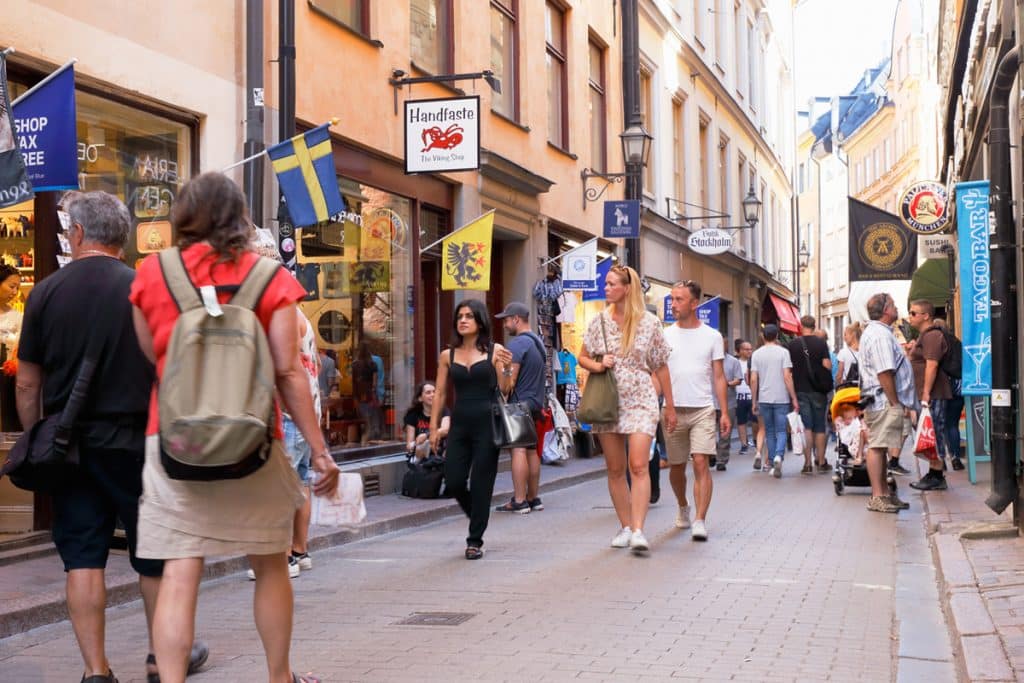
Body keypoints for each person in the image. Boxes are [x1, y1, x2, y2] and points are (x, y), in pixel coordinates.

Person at [129, 172, 339, 683]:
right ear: (239, 219)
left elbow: (152, 356)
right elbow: (288, 372)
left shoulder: (153, 273)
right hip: (254, 444)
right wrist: (320, 450)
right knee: (269, 564)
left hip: (174, 443)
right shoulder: (270, 280)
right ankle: (278, 676)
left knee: (180, 571)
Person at [15, 191, 209, 683]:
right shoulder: (146, 288)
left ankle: (96, 670)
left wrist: (36, 431)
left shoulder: (45, 292)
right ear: (122, 238)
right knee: (153, 554)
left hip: (72, 445)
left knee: (82, 557)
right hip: (140, 443)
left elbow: (27, 381)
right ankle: (161, 657)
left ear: (77, 234)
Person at [578, 265, 676, 554]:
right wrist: (598, 364)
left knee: (638, 464)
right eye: (605, 284)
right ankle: (624, 526)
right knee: (616, 468)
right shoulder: (598, 321)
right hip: (608, 399)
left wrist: (669, 404)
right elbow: (582, 357)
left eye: (611, 284)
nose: (606, 288)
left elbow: (661, 365)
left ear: (626, 288)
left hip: (641, 398)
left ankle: (638, 530)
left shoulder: (649, 322)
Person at [429, 299, 514, 560]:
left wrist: (507, 367)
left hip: (487, 423)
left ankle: (474, 540)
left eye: (469, 316)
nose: (463, 320)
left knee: (481, 483)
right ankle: (477, 514)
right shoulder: (448, 355)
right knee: (453, 480)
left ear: (479, 321)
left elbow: (505, 389)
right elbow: (441, 392)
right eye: (459, 316)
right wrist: (433, 427)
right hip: (460, 423)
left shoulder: (494, 350)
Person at [661, 280, 729, 541]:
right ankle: (683, 506)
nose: (673, 304)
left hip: (702, 408)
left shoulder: (711, 336)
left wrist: (723, 411)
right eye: (672, 299)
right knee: (677, 466)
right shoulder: (665, 334)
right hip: (672, 410)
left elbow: (719, 376)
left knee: (700, 462)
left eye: (679, 300)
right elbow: (659, 372)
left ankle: (700, 519)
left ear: (694, 303)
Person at [858, 293, 914, 513]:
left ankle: (885, 494)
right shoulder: (880, 335)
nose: (896, 307)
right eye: (892, 304)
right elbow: (884, 371)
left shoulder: (879, 333)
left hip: (882, 400)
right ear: (885, 311)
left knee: (882, 447)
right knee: (878, 447)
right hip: (883, 400)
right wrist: (894, 402)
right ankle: (878, 496)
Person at [494, 301, 548, 514]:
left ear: (516, 319)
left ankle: (519, 500)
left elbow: (509, 383)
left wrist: (500, 370)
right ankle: (533, 498)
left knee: (518, 450)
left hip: (519, 403)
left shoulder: (517, 345)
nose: (505, 324)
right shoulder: (538, 342)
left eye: (507, 320)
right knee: (531, 451)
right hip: (535, 402)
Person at [907, 300, 954, 491]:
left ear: (925, 315)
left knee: (933, 432)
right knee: (929, 432)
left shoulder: (932, 335)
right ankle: (934, 472)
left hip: (933, 393)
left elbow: (932, 364)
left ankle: (937, 475)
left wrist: (926, 392)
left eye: (913, 313)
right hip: (927, 393)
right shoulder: (924, 336)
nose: (910, 316)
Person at [750, 324, 800, 478]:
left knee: (769, 432)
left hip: (764, 398)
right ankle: (779, 456)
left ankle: (771, 462)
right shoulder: (784, 353)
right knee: (781, 430)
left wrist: (754, 401)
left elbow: (753, 379)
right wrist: (794, 397)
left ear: (763, 336)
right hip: (781, 398)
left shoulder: (756, 354)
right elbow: (787, 376)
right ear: (777, 336)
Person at [787, 316, 832, 474]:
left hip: (801, 389)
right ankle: (820, 461)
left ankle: (807, 464)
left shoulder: (792, 345)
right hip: (818, 390)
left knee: (807, 426)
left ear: (801, 326)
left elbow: (789, 369)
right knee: (819, 426)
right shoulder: (821, 343)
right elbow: (827, 365)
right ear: (814, 326)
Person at [932, 318, 965, 471]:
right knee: (953, 424)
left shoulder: (936, 342)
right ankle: (956, 458)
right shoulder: (957, 342)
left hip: (942, 388)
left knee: (940, 425)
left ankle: (942, 459)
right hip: (958, 387)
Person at [712, 338, 744, 471]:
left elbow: (739, 379)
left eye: (724, 343)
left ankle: (721, 460)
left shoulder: (733, 361)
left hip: (729, 401)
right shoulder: (707, 361)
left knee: (725, 432)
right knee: (708, 431)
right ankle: (711, 454)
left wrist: (729, 384)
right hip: (710, 401)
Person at [0, 262, 23, 430]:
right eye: (11, 286)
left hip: (6, 379)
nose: (15, 292)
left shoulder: (17, 317)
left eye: (17, 287)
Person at [404, 381, 449, 462]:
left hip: (442, 457)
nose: (433, 395)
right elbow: (409, 445)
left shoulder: (443, 411)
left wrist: (426, 436)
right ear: (420, 398)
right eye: (428, 392)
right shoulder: (413, 415)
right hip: (421, 459)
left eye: (434, 392)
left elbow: (445, 430)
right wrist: (416, 446)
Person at [352, 341, 380, 443]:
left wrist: (355, 397)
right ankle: (365, 441)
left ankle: (363, 441)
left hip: (358, 395)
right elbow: (374, 383)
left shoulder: (354, 365)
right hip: (369, 395)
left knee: (363, 420)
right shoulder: (373, 364)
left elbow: (353, 382)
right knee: (370, 421)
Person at [734, 339, 755, 455]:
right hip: (739, 396)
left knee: (755, 420)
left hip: (752, 396)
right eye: (746, 349)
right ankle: (744, 444)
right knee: (741, 421)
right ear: (740, 350)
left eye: (751, 349)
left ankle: (756, 441)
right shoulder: (735, 362)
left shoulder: (754, 362)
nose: (749, 351)